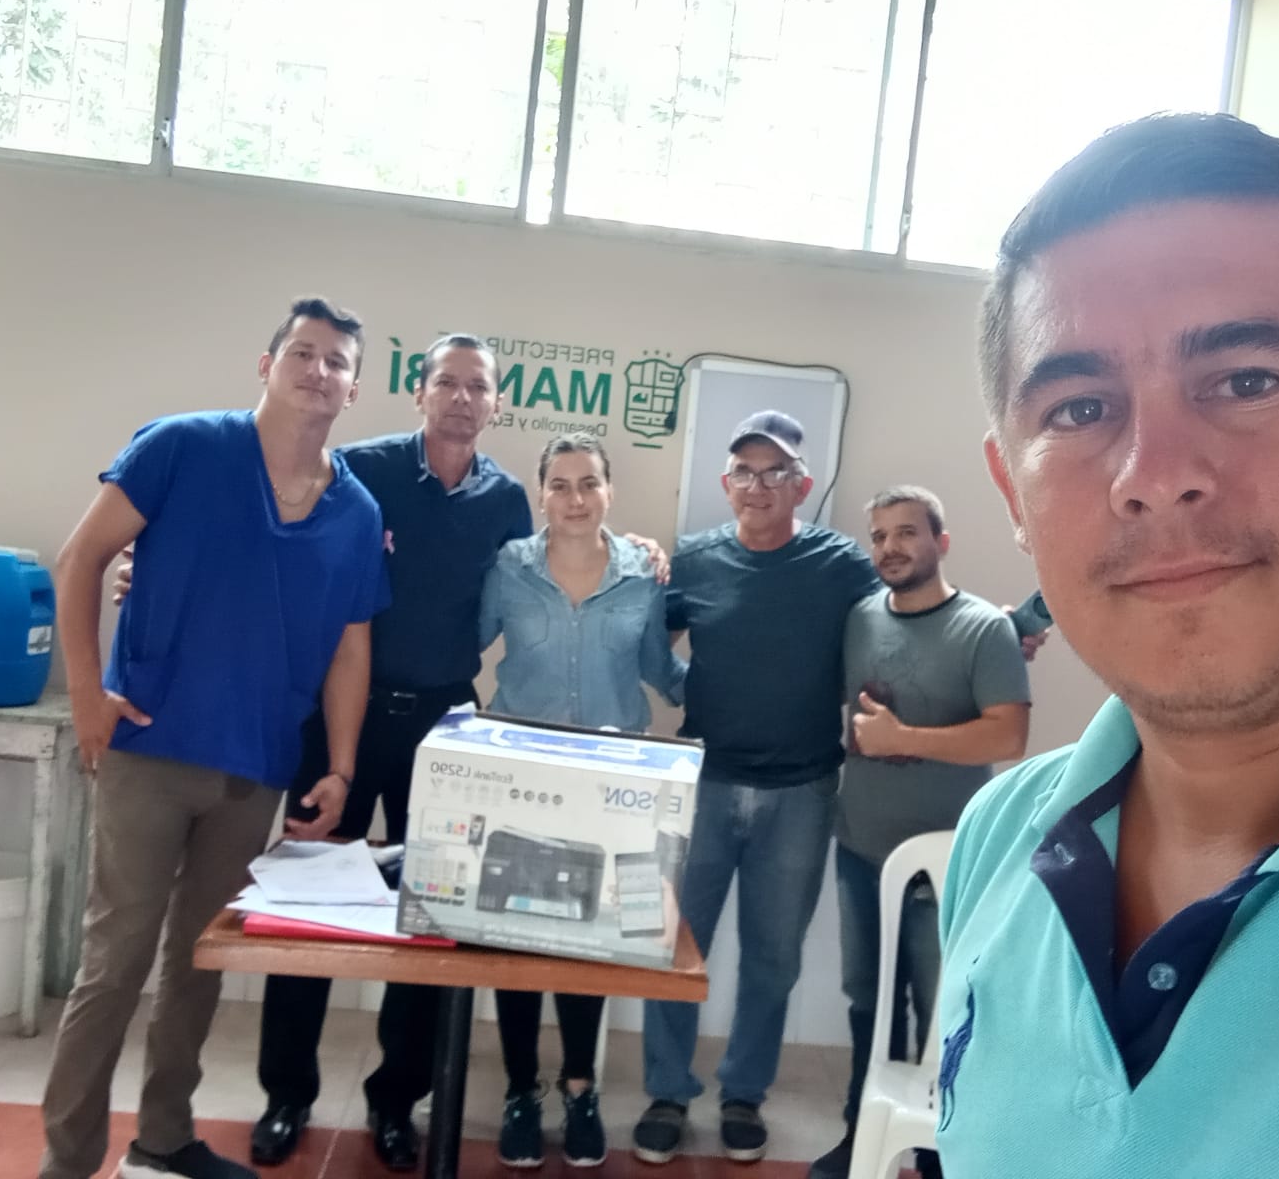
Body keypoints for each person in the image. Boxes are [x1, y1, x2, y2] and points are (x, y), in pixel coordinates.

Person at [936, 112, 1279, 1176]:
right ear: (1012, 494)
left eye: (1247, 380)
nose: (1154, 473)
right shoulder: (999, 835)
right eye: (1080, 408)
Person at [39, 297, 387, 1179]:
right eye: (302, 352)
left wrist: (342, 767)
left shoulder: (354, 511)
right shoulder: (182, 447)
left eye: (337, 362)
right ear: (266, 365)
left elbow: (351, 644)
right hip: (150, 749)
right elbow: (81, 559)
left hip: (253, 770)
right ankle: (67, 1161)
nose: (318, 371)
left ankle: (163, 1140)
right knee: (115, 963)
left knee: (200, 964)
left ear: (354, 389)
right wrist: (86, 694)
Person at [250, 333, 534, 1172]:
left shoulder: (506, 499)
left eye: (476, 386)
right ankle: (286, 1094)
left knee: (429, 916)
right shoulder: (360, 469)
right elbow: (289, 548)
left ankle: (395, 1101)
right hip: (342, 715)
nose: (460, 398)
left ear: (496, 404)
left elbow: (545, 574)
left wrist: (643, 554)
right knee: (308, 905)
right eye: (446, 382)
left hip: (445, 725)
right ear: (419, 392)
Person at [634, 411, 882, 1165]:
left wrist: (996, 628)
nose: (759, 485)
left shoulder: (840, 564)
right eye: (745, 471)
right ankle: (667, 1092)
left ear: (802, 486)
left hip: (801, 793)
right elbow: (644, 641)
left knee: (773, 959)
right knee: (676, 949)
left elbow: (910, 614)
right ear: (726, 482)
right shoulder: (696, 558)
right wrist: (691, 684)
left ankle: (744, 1094)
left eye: (776, 472)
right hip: (704, 785)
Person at [808, 486, 1031, 1179]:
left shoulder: (983, 629)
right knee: (868, 1001)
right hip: (861, 851)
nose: (890, 548)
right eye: (879, 536)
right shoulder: (858, 618)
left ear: (941, 541)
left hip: (948, 866)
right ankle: (863, 1137)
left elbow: (1008, 734)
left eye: (906, 532)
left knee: (942, 1010)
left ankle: (940, 1153)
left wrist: (904, 737)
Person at [478, 431, 686, 1169]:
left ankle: (579, 1088)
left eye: (589, 483)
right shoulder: (508, 567)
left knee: (585, 945)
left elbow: (662, 671)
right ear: (541, 495)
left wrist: (744, 680)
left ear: (609, 491)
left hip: (609, 790)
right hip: (521, 783)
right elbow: (459, 644)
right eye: (560, 485)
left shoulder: (642, 575)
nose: (575, 498)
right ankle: (519, 1091)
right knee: (515, 941)